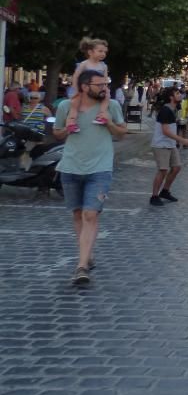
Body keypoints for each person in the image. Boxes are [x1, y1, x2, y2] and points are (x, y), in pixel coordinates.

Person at [52, 69, 127, 285]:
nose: (105, 88)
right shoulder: (67, 107)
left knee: (90, 215)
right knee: (77, 214)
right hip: (71, 166)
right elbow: (56, 132)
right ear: (85, 87)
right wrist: (66, 129)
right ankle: (87, 254)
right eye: (100, 85)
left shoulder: (111, 106)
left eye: (106, 84)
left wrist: (109, 124)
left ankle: (81, 266)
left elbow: (122, 133)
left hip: (100, 169)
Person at [150, 87, 188, 207]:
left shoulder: (174, 109)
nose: (180, 95)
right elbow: (165, 131)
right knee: (163, 170)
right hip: (161, 144)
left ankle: (165, 191)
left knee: (176, 168)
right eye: (177, 93)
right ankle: (154, 196)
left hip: (170, 144)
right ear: (171, 97)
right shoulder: (165, 110)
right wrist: (182, 140)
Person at [65, 38, 111, 133]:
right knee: (75, 103)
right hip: (83, 88)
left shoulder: (103, 66)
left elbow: (105, 79)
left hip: (98, 88)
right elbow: (76, 77)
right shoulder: (84, 64)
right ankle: (71, 122)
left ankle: (101, 116)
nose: (103, 54)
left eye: (105, 52)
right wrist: (76, 89)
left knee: (107, 98)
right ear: (90, 52)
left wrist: (105, 88)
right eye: (100, 51)